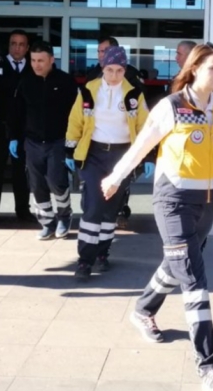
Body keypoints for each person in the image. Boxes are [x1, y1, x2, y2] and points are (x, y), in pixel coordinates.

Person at [101, 42, 213, 391]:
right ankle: (209, 365)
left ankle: (143, 310)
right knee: (193, 278)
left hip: (207, 202)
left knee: (176, 263)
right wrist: (115, 177)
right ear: (194, 69)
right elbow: (142, 145)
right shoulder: (172, 106)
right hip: (173, 201)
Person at [65, 46, 151, 280]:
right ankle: (85, 260)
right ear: (102, 68)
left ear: (125, 70)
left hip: (121, 157)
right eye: (110, 70)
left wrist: (147, 156)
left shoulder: (134, 94)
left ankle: (102, 253)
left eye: (119, 70)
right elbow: (75, 121)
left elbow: (145, 127)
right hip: (93, 154)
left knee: (111, 209)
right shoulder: (88, 91)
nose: (114, 75)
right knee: (93, 206)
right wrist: (70, 150)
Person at [9, 41, 77, 239]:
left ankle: (64, 217)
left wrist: (72, 145)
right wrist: (14, 137)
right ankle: (47, 222)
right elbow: (16, 112)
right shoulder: (26, 82)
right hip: (33, 142)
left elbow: (76, 116)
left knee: (57, 182)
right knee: (37, 184)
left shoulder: (66, 81)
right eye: (33, 60)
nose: (36, 65)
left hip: (58, 142)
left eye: (41, 60)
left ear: (51, 60)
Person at [0, 30, 34, 222]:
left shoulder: (32, 67)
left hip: (22, 129)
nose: (17, 48)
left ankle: (23, 211)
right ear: (8, 45)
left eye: (21, 44)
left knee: (21, 171)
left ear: (27, 48)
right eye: (13, 43)